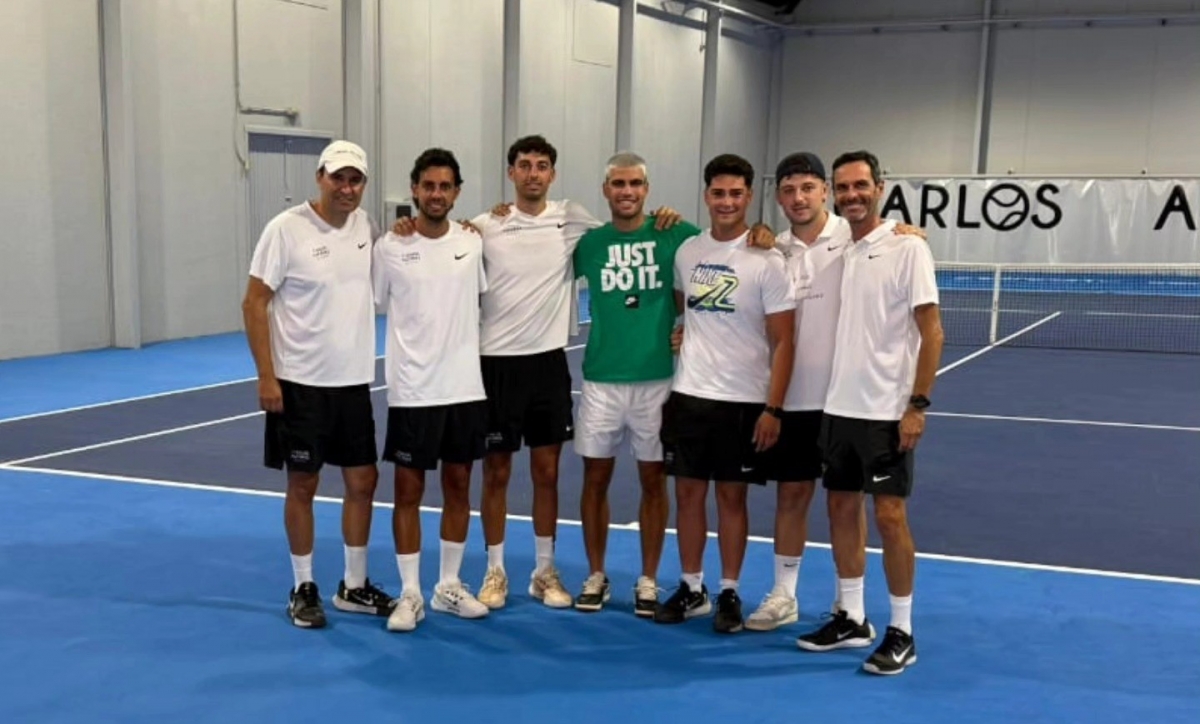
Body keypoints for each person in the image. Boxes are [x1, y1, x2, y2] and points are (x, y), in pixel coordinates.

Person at [468, 135, 682, 610]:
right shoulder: (485, 225)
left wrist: (686, 326)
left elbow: (683, 263)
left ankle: (545, 571)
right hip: (496, 363)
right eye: (524, 165)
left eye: (542, 165)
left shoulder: (573, 219)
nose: (533, 173)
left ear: (553, 174)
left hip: (549, 364)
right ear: (511, 173)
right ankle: (496, 571)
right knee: (497, 473)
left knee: (548, 473)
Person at [572, 152, 777, 616]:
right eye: (618, 184)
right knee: (594, 479)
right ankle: (596, 573)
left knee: (654, 482)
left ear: (647, 189)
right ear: (606, 190)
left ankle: (648, 580)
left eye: (636, 184)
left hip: (660, 380)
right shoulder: (588, 245)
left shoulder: (676, 235)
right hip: (602, 379)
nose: (627, 192)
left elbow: (730, 247)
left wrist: (766, 231)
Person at [794, 150, 944, 676]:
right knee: (840, 511)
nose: (851, 194)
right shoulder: (841, 248)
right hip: (838, 409)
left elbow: (932, 332)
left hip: (886, 412)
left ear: (880, 186)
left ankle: (901, 629)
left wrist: (916, 405)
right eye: (843, 187)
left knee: (889, 516)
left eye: (861, 185)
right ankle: (852, 616)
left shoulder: (907, 250)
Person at [242, 140, 393, 629]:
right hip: (300, 383)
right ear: (320, 177)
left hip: (352, 384)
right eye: (339, 178)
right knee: (303, 483)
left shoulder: (368, 228)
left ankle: (353, 585)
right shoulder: (285, 230)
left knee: (362, 481)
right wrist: (267, 376)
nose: (347, 188)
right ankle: (303, 586)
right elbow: (254, 302)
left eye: (356, 180)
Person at [653, 154, 795, 634]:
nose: (727, 201)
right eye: (719, 193)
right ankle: (693, 587)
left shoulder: (768, 259)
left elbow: (784, 340)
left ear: (749, 197)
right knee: (688, 497)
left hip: (743, 401)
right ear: (707, 195)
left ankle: (729, 591)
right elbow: (682, 307)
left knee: (731, 501)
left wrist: (773, 408)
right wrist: (681, 333)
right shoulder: (687, 252)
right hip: (689, 394)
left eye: (736, 193)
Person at [373, 149, 491, 632]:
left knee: (459, 487)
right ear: (415, 189)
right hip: (413, 392)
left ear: (457, 192)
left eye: (445, 186)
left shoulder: (473, 242)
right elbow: (374, 303)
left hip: (464, 388)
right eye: (428, 186)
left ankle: (447, 586)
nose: (437, 194)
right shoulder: (389, 247)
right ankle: (410, 594)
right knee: (408, 491)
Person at [745, 152, 852, 631]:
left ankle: (849, 605)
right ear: (778, 196)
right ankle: (784, 596)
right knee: (791, 498)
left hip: (848, 400)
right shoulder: (771, 249)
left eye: (808, 188)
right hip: (791, 399)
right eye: (788, 190)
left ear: (825, 190)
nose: (798, 198)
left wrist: (906, 231)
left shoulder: (857, 237)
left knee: (845, 504)